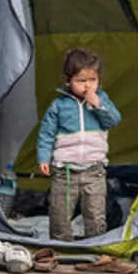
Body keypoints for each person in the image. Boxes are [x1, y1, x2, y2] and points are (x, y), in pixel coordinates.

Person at [36, 49, 121, 241]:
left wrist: (97, 104)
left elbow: (113, 120)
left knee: (95, 213)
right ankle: (61, 244)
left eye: (92, 80)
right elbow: (46, 134)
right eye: (81, 81)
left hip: (94, 169)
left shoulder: (102, 100)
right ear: (68, 81)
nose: (87, 85)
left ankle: (94, 244)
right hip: (64, 170)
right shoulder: (59, 106)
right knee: (59, 212)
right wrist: (43, 158)